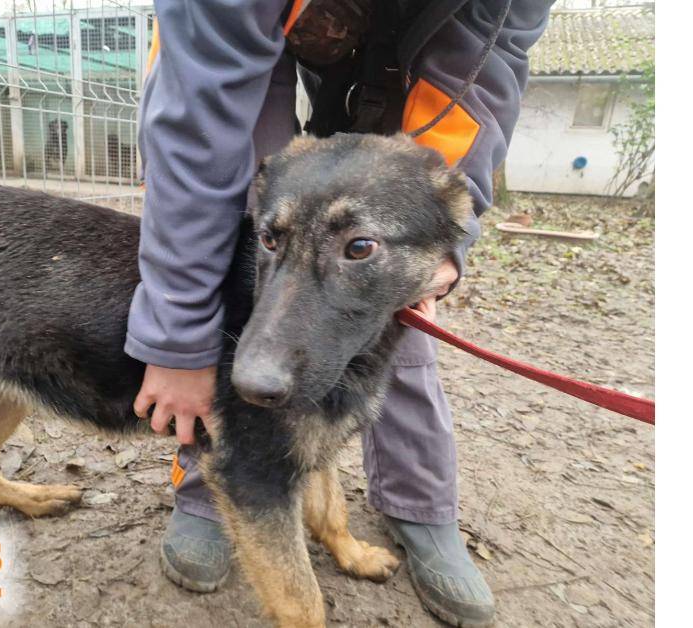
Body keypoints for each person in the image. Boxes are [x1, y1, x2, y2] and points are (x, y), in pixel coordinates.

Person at [126, 1, 551, 625]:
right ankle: (213, 489)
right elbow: (197, 127)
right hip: (251, 41)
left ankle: (420, 504)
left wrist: (445, 243)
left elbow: (483, 79)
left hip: (423, 50)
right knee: (256, 229)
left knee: (390, 271)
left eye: (357, 248)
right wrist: (178, 340)